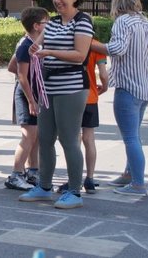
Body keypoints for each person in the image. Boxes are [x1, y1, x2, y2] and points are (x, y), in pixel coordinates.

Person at [19, 0, 93, 210]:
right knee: (45, 138)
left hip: (72, 87)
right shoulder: (52, 23)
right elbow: (38, 44)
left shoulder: (82, 22)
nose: (58, 1)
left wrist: (49, 51)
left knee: (69, 139)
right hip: (48, 87)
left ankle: (74, 191)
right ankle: (44, 186)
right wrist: (35, 48)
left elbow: (80, 55)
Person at [90, 0, 148, 196]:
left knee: (130, 137)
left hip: (128, 86)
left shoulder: (123, 22)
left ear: (116, 3)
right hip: (146, 86)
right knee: (135, 134)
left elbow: (117, 49)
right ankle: (129, 174)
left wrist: (90, 44)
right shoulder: (146, 22)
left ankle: (137, 184)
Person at [5, 7, 49, 191]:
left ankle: (33, 171)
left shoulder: (35, 44)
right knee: (28, 135)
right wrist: (31, 100)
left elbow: (12, 66)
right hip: (26, 95)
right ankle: (16, 174)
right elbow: (20, 74)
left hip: (35, 93)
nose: (49, 26)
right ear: (37, 26)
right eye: (46, 23)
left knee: (36, 135)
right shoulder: (25, 46)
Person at [57, 45, 108, 194]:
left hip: (72, 96)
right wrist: (104, 87)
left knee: (74, 139)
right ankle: (90, 179)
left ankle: (75, 179)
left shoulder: (71, 43)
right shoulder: (97, 46)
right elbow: (103, 74)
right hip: (91, 97)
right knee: (89, 138)